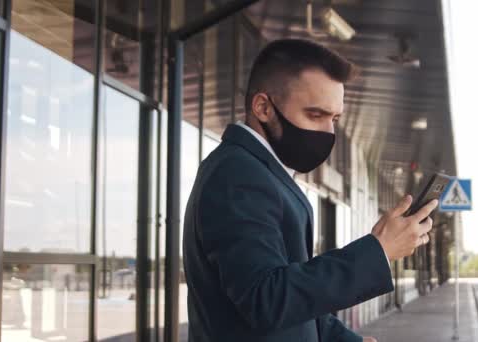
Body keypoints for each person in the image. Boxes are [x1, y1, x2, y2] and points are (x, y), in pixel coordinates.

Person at [182, 39, 437, 342]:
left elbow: (293, 303)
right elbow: (267, 300)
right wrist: (378, 251)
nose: (329, 132)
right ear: (263, 107)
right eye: (316, 115)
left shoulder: (263, 174)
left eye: (335, 119)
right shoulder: (238, 175)